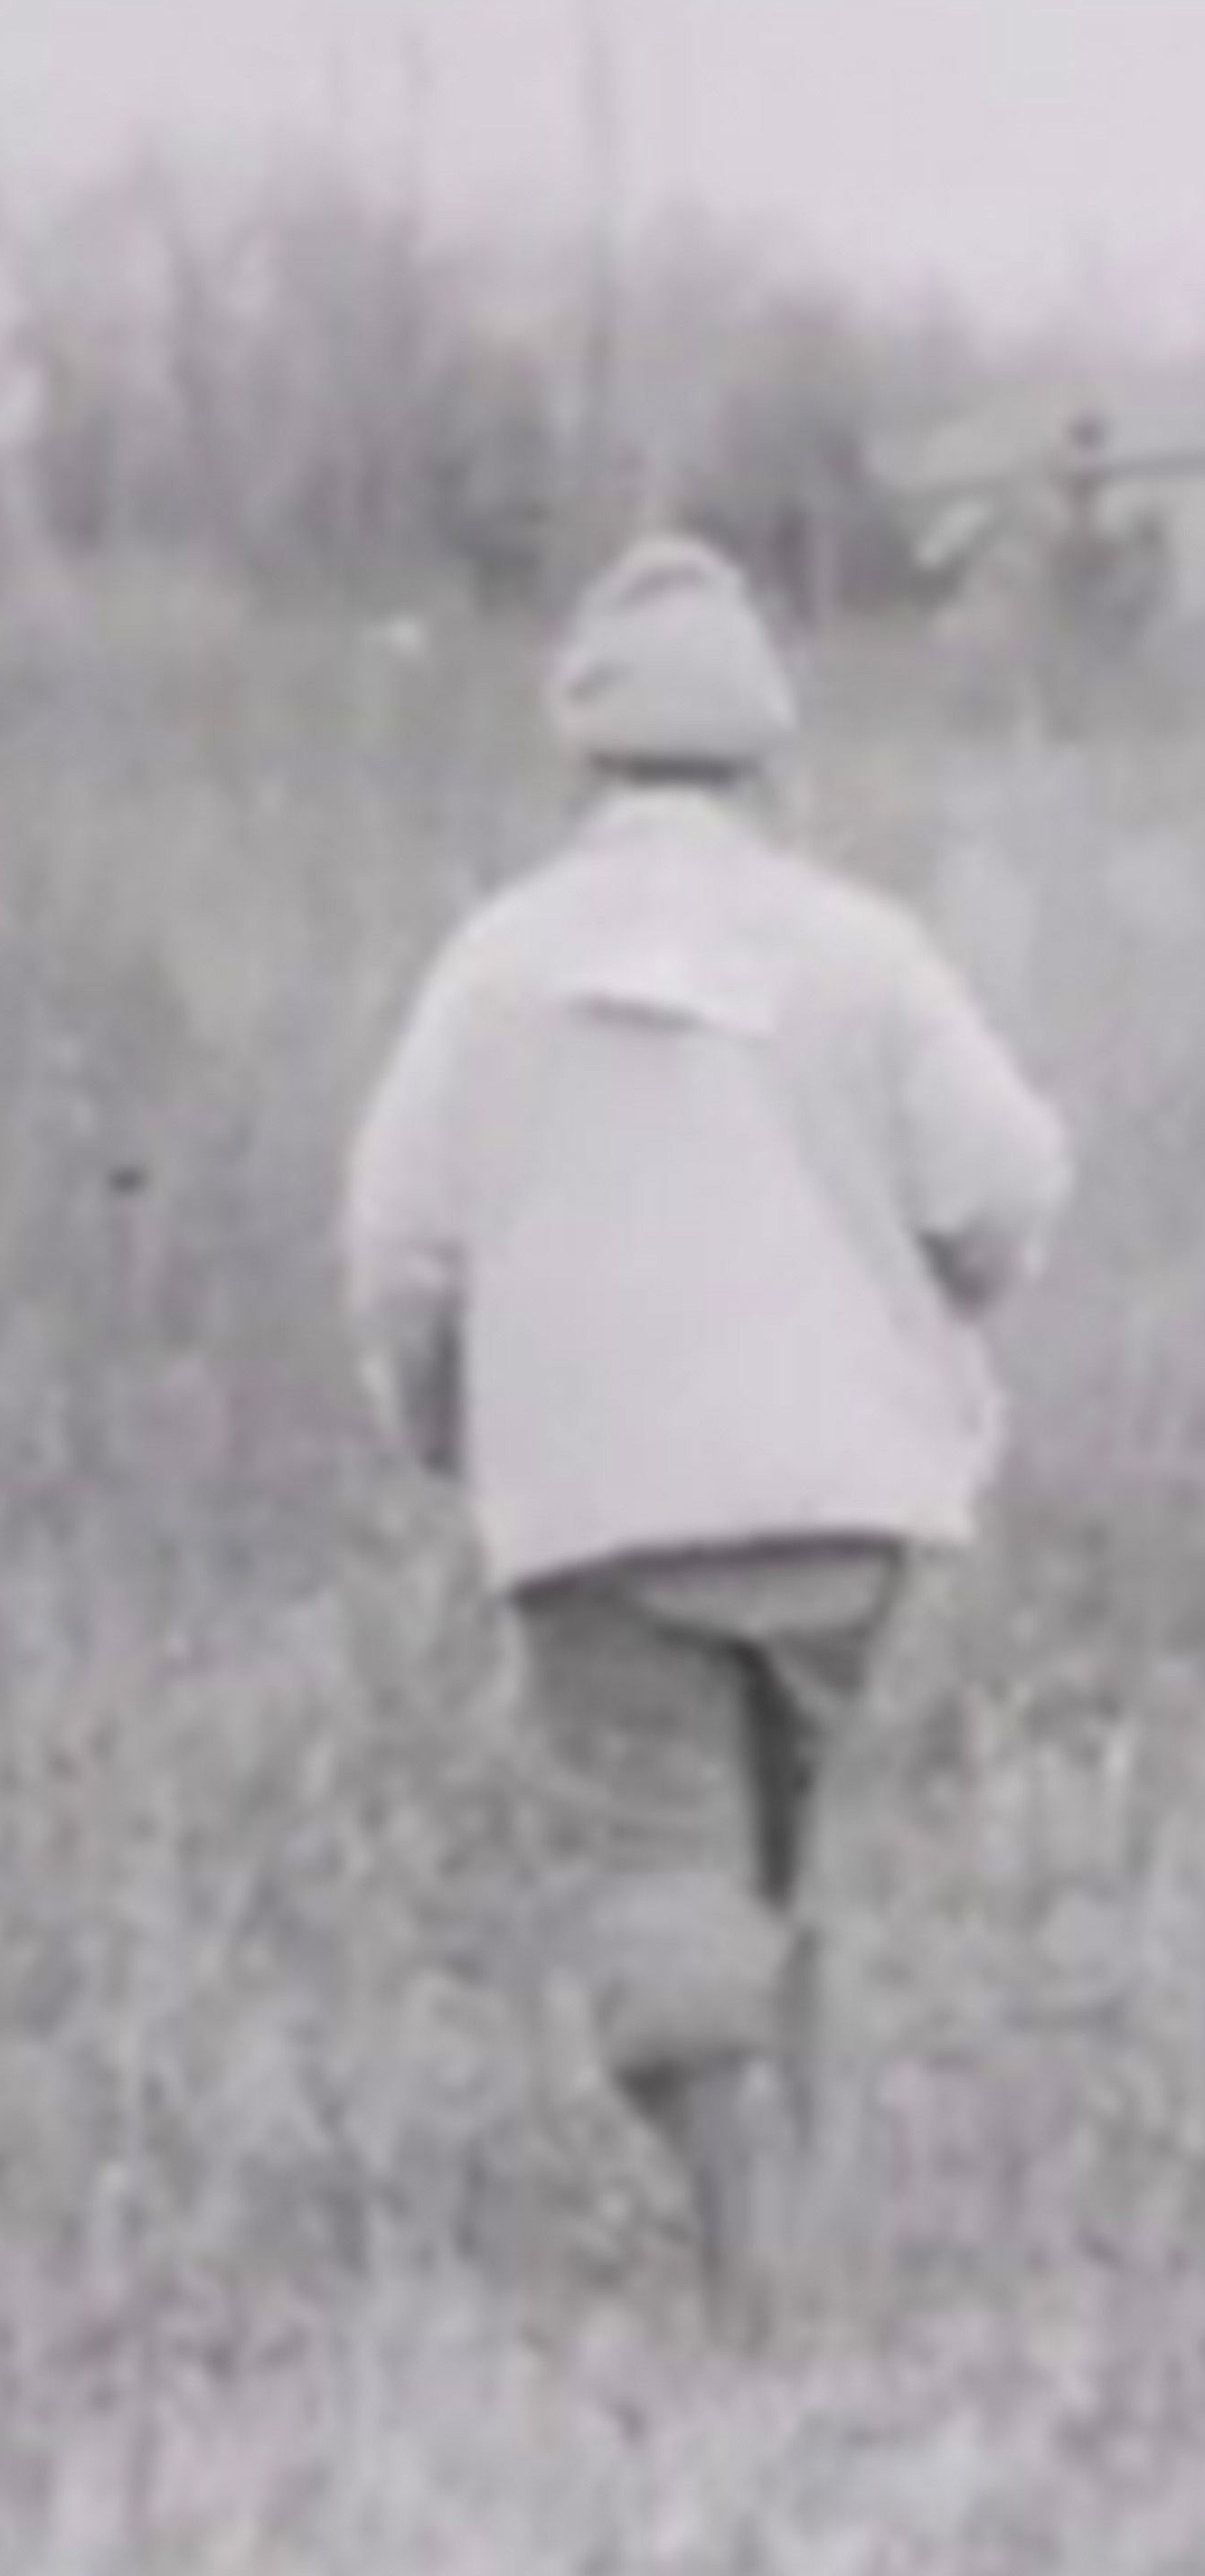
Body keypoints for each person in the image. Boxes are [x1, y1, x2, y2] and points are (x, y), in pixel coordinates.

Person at [344, 533, 1069, 2338]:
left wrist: (446, 1427)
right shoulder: (862, 949)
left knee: (660, 1858)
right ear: (766, 745)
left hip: (598, 1514)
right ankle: (805, 2236)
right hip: (851, 1503)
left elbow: (398, 1249)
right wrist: (939, 1300)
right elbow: (1004, 1191)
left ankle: (749, 2245)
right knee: (808, 1872)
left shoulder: (493, 965)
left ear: (582, 745)